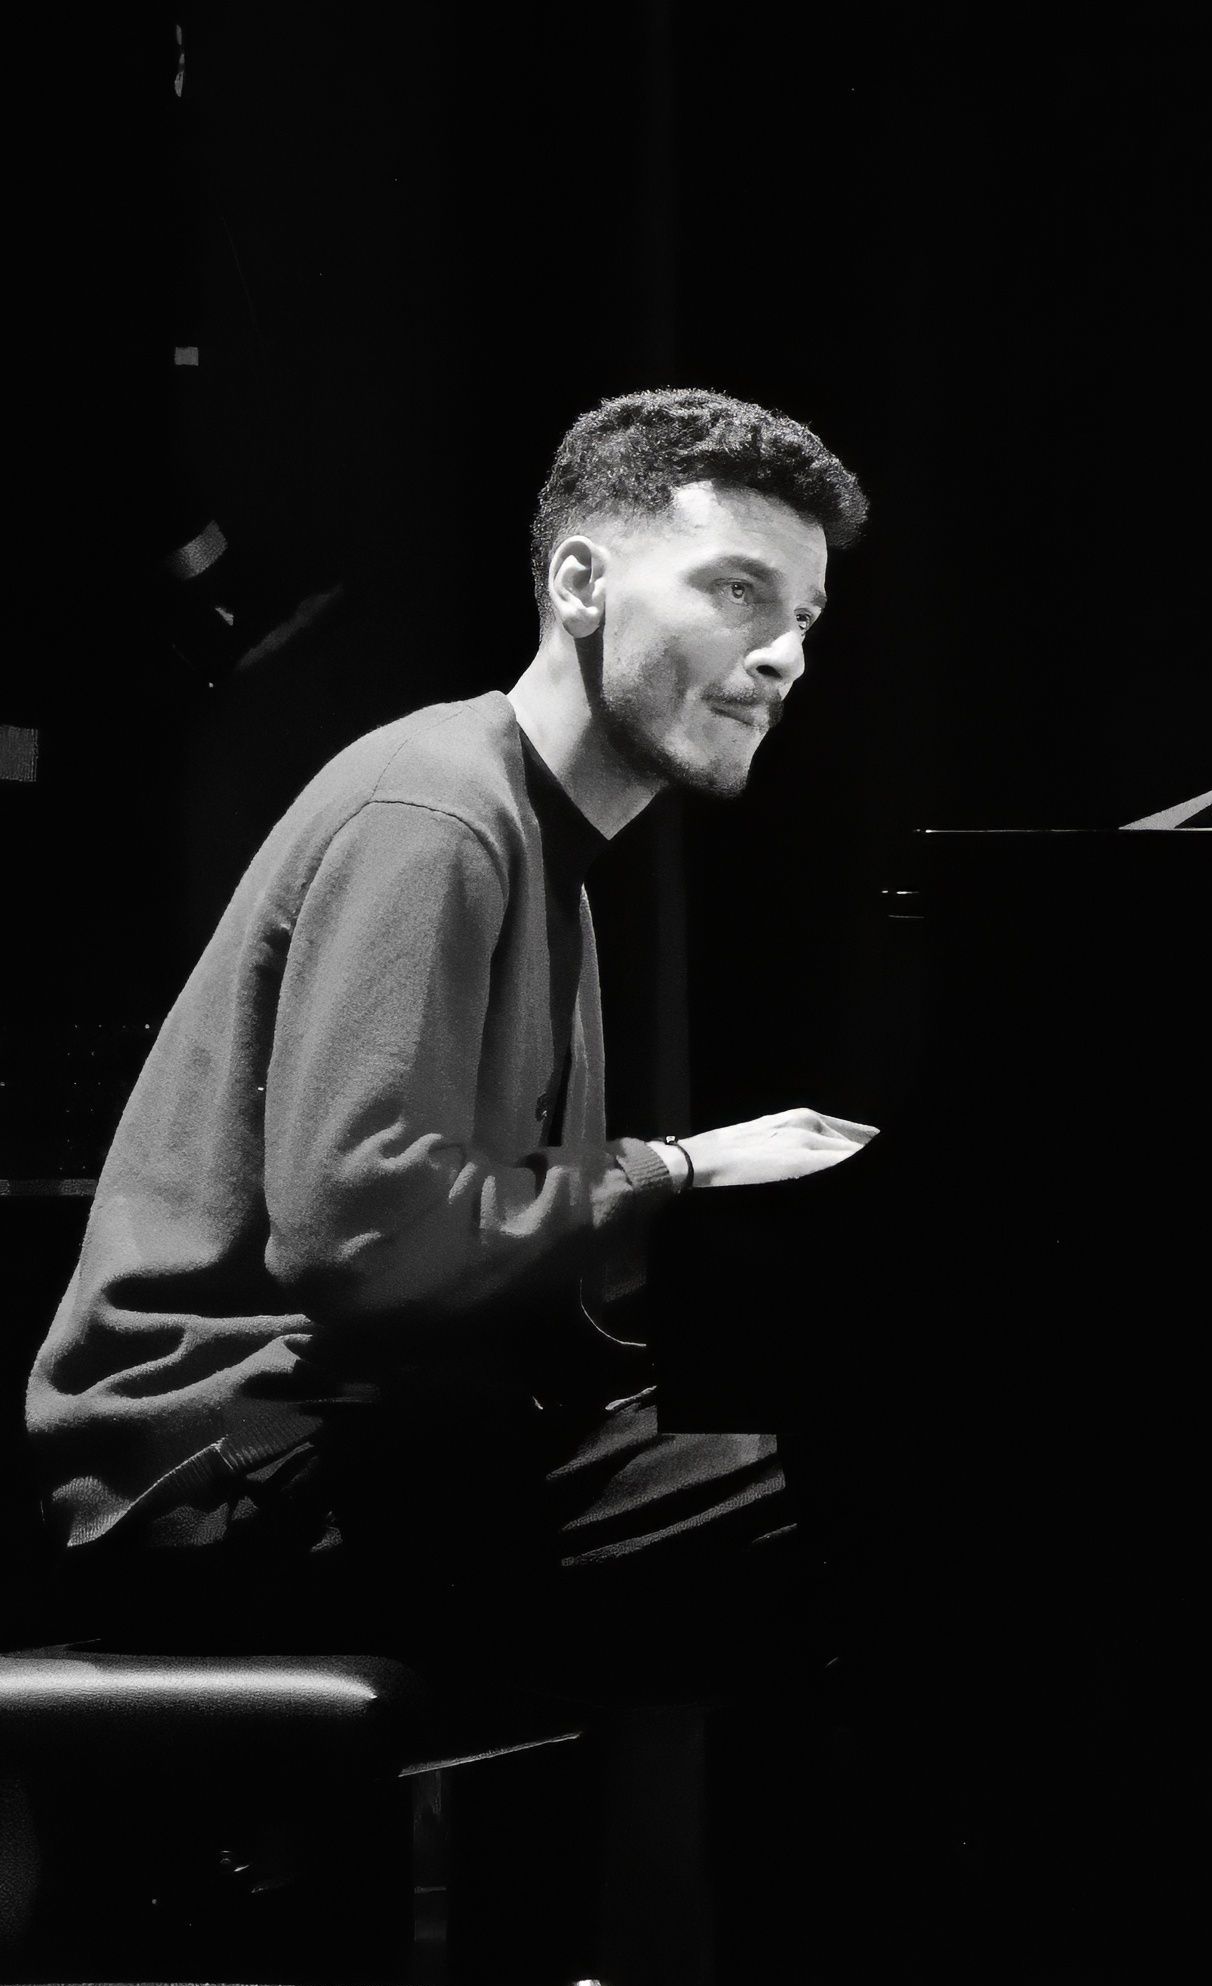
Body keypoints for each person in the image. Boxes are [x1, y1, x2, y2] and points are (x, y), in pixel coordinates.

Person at [26, 386, 877, 1688]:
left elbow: (490, 1273)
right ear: (581, 585)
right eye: (736, 592)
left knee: (877, 1446)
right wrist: (684, 1170)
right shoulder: (435, 811)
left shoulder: (547, 862)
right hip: (220, 1471)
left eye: (803, 618)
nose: (784, 658)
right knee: (881, 1478)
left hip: (360, 1438)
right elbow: (362, 1239)